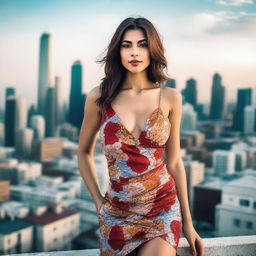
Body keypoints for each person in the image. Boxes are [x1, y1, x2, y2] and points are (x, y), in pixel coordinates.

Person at [77, 16, 204, 256]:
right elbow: (83, 152)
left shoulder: (170, 98)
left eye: (142, 44)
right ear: (118, 50)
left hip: (162, 209)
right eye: (127, 45)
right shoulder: (99, 98)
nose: (135, 52)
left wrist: (188, 222)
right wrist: (97, 203)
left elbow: (174, 162)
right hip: (116, 213)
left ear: (152, 49)